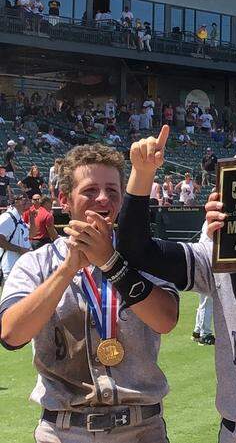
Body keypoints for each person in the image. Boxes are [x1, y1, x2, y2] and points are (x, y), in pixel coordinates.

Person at [115, 131, 236, 442]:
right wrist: (142, 174)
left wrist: (234, 242)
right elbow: (136, 249)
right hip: (234, 430)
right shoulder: (219, 255)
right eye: (235, 196)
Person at [0, 143, 179, 441]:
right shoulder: (37, 263)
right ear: (64, 199)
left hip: (141, 429)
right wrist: (67, 270)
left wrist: (110, 262)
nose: (102, 198)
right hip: (63, 430)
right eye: (90, 190)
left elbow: (166, 320)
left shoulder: (146, 255)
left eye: (112, 190)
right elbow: (11, 334)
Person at [0, 195, 31, 286]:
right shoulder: (7, 217)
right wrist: (20, 249)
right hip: (10, 267)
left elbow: (32, 234)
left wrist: (32, 218)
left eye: (28, 200)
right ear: (15, 202)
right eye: (24, 199)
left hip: (20, 267)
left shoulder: (19, 218)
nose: (27, 202)